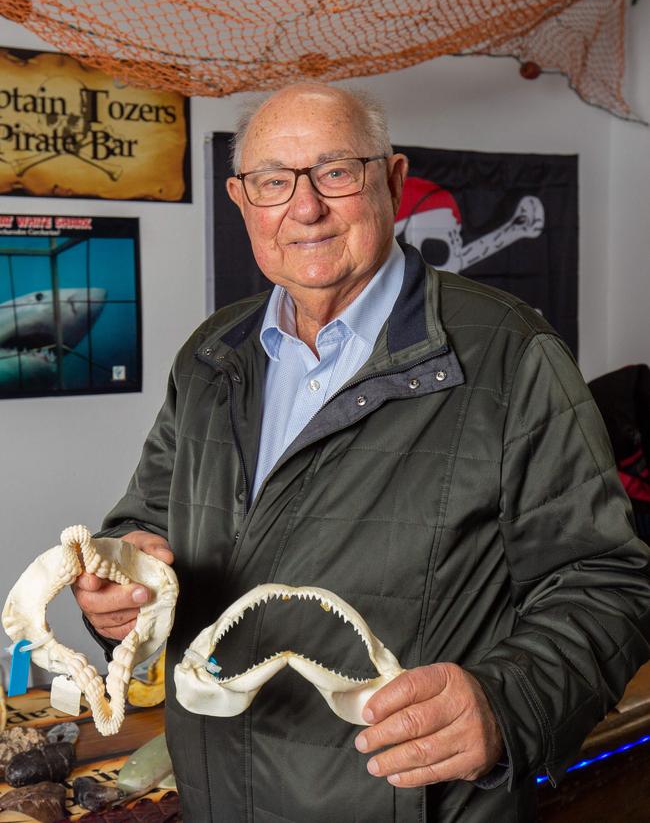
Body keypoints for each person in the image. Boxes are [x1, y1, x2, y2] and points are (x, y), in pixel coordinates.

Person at [74, 82, 650, 822]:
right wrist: (121, 590)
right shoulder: (210, 357)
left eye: (336, 171)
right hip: (218, 798)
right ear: (242, 200)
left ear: (394, 180)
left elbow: (606, 581)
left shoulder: (510, 355)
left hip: (408, 803)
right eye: (274, 182)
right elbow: (143, 526)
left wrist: (507, 701)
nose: (304, 207)